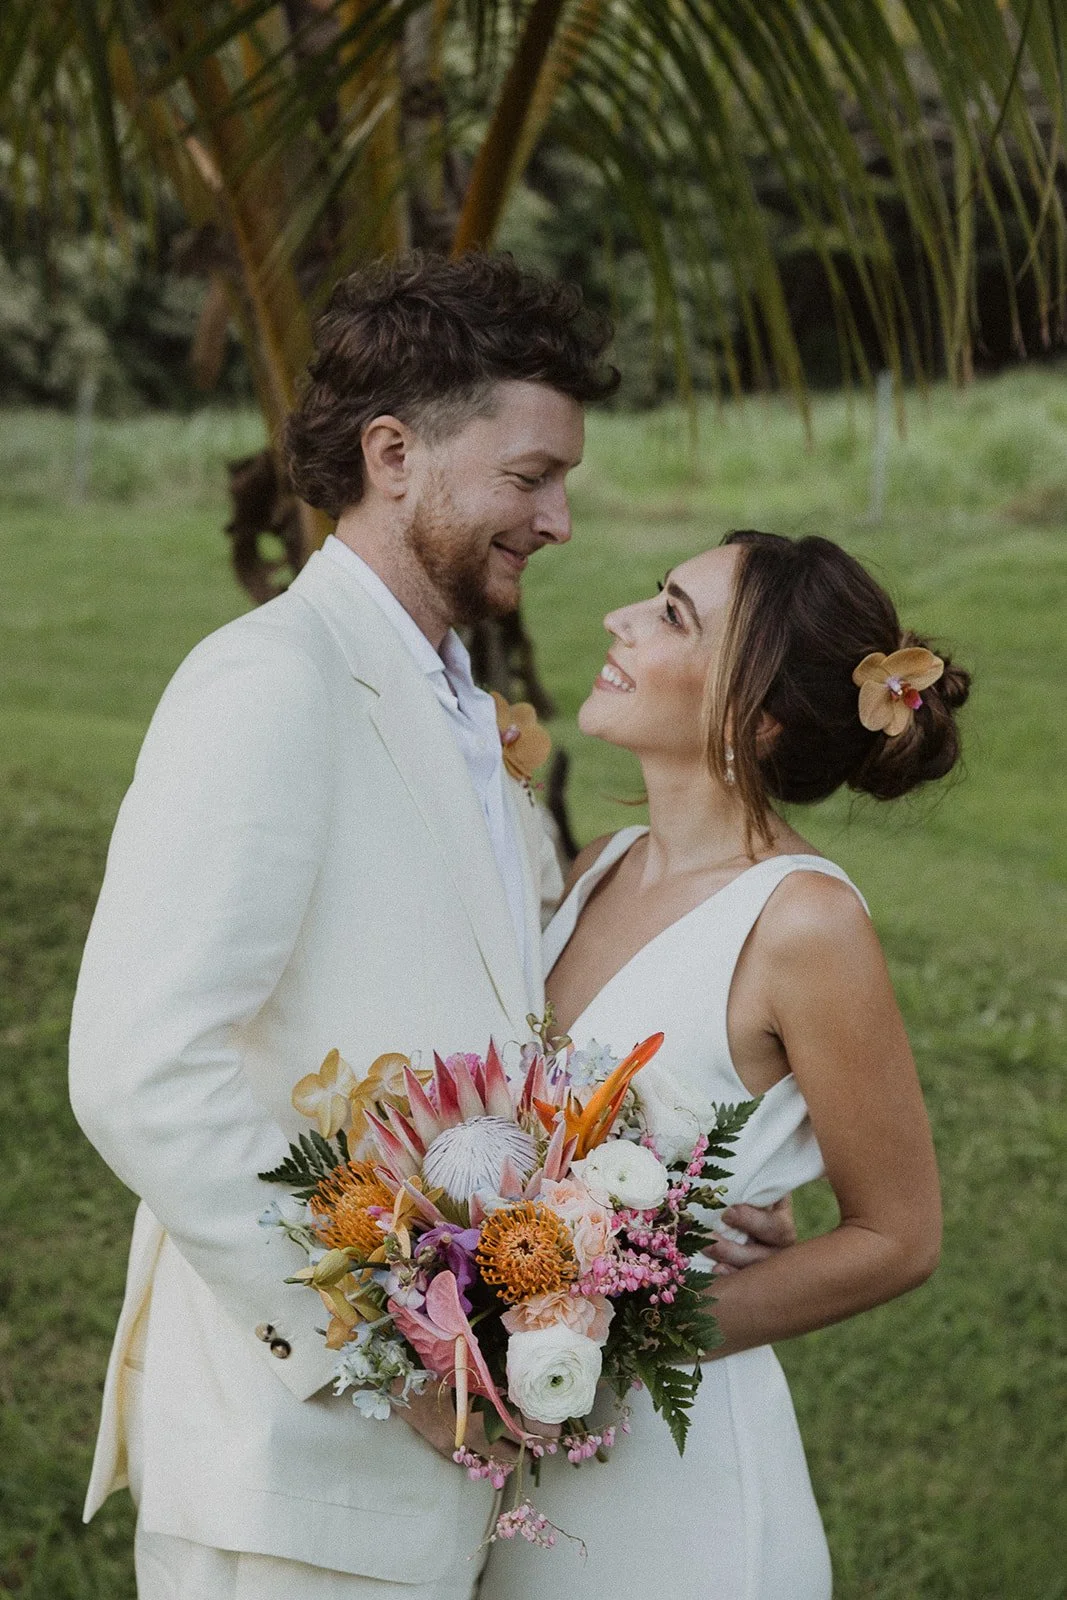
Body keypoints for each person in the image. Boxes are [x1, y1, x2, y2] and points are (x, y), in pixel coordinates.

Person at [68, 252, 614, 1600]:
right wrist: (388, 1344)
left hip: (436, 1485)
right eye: (528, 475)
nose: (556, 520)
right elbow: (140, 1069)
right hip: (294, 1475)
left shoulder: (458, 700)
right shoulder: (267, 684)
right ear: (392, 455)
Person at [480, 529, 967, 1600]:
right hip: (520, 1467)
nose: (618, 620)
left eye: (670, 616)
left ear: (758, 716)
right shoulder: (601, 866)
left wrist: (617, 1328)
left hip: (675, 1491)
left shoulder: (802, 923)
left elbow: (898, 1236)